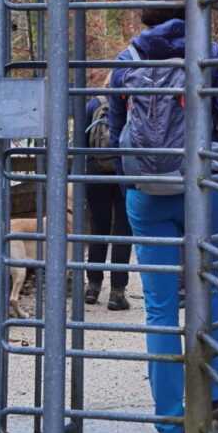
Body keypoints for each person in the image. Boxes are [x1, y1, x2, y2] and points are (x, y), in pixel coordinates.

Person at [108, 0, 218, 433]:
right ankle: (214, 393)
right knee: (209, 287)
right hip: (200, 184)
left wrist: (130, 183)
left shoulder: (126, 61)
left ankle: (170, 426)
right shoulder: (212, 53)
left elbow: (113, 130)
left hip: (145, 193)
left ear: (147, 14)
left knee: (161, 310)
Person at [84, 74, 133, 310]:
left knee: (98, 228)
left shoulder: (94, 102)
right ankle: (117, 292)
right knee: (123, 231)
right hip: (125, 169)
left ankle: (92, 287)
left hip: (96, 172)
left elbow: (81, 140)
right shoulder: (130, 98)